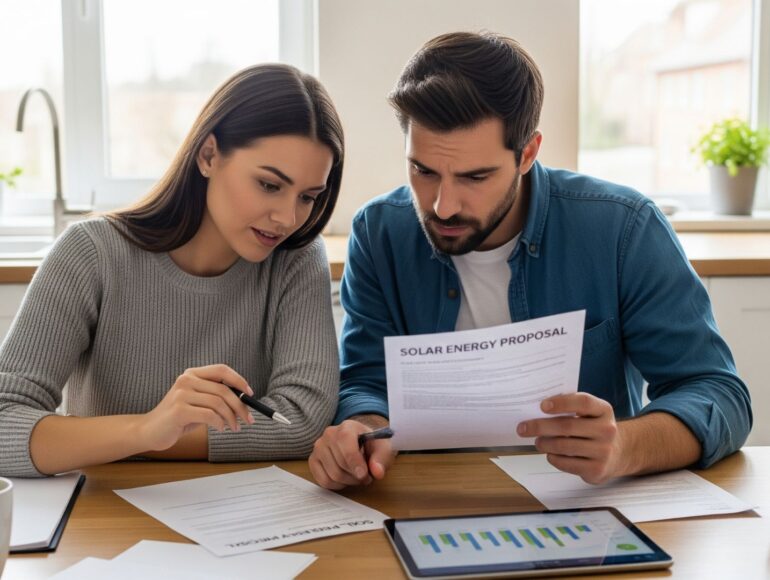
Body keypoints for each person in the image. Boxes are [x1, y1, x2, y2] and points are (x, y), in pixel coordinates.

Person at [309, 32, 752, 490]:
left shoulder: (623, 228)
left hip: (585, 507)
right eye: (423, 171)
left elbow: (718, 395)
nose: (442, 205)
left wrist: (622, 446)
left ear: (528, 153)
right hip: (430, 497)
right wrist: (361, 430)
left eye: (475, 176)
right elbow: (364, 382)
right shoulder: (379, 233)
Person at [0, 64, 344, 477]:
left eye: (308, 196)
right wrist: (146, 430)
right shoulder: (91, 254)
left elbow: (302, 421)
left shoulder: (297, 258)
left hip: (236, 520)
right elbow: (5, 422)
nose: (288, 218)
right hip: (103, 522)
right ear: (208, 155)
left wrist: (161, 435)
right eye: (269, 185)